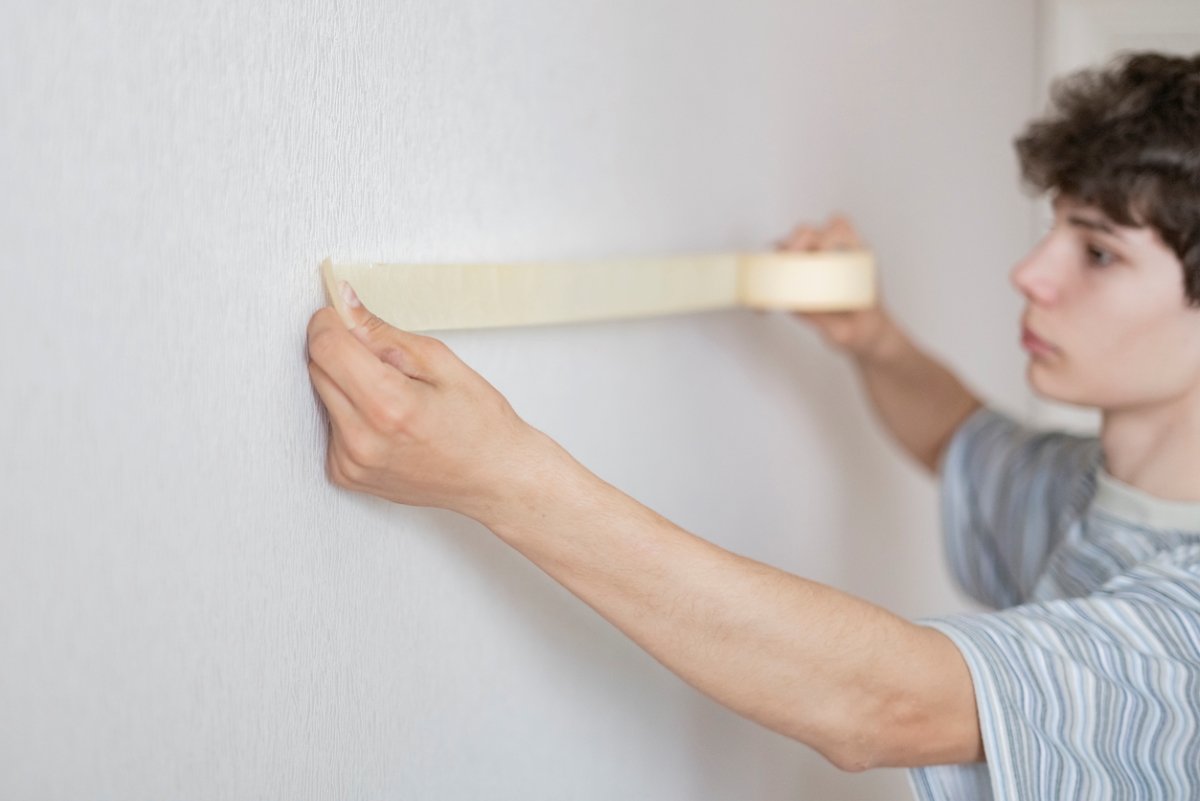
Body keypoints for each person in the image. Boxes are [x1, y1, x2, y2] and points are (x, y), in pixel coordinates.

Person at [305, 52, 1200, 799]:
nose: (1030, 273)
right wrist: (873, 339)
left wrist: (502, 475)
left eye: (1097, 251)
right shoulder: (1092, 489)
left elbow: (885, 704)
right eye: (1052, 229)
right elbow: (960, 438)